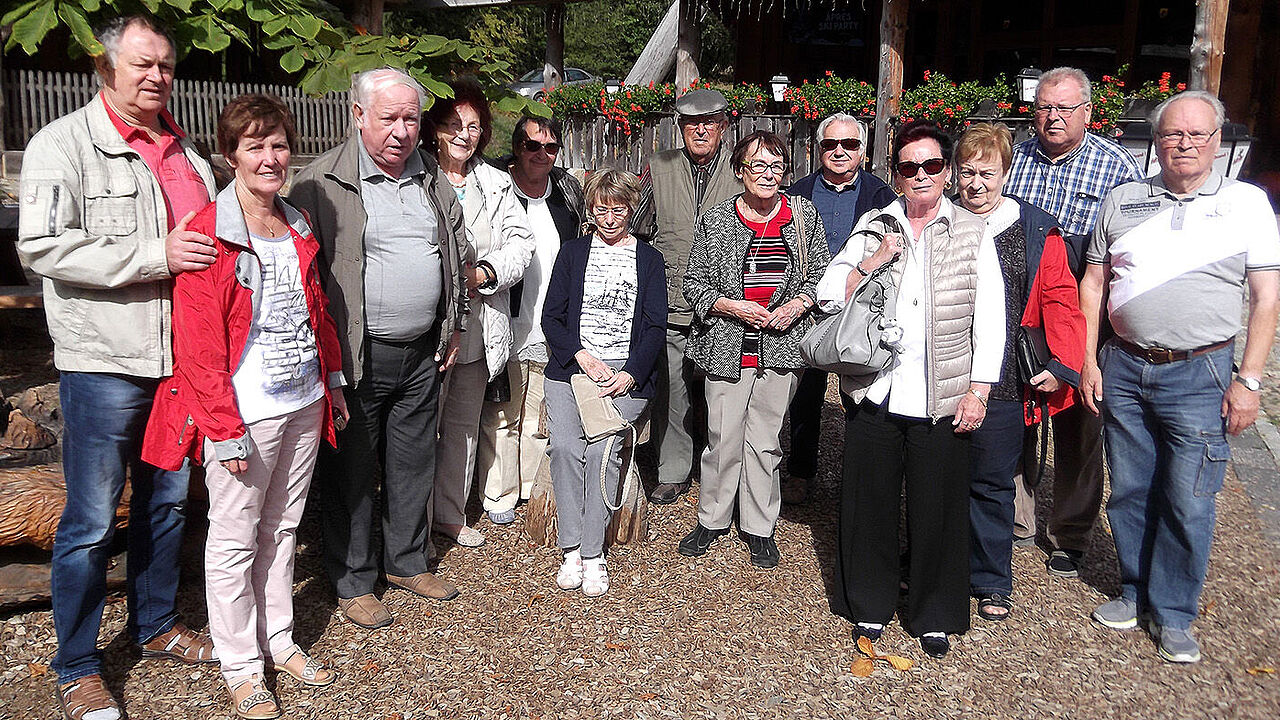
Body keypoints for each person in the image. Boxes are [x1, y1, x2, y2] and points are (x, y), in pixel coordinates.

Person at [17, 15, 218, 719]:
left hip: (177, 364)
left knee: (165, 505)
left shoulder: (187, 155)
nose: (157, 77)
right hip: (103, 361)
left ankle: (155, 625)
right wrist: (150, 257)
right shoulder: (64, 145)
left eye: (165, 65)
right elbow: (41, 248)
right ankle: (75, 665)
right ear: (107, 68)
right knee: (93, 520)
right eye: (142, 65)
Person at [142, 94, 347, 719]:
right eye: (254, 146)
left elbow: (315, 313)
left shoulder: (298, 225)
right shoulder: (209, 235)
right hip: (245, 410)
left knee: (283, 528)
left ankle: (277, 638)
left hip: (302, 399)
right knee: (233, 539)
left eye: (279, 144)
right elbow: (199, 347)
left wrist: (332, 380)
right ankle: (241, 666)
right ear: (229, 156)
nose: (270, 157)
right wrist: (222, 429)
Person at [1081, 91, 1279, 663]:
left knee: (1189, 497)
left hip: (1201, 370)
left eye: (1196, 134)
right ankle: (1134, 591)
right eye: (1172, 134)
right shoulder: (1124, 200)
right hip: (1124, 363)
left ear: (1217, 142)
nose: (1184, 144)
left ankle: (1173, 613)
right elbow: (1093, 283)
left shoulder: (1247, 204)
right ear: (1156, 140)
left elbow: (1266, 299)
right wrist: (1091, 360)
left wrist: (1250, 381)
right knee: (1132, 488)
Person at [816, 121, 1005, 658]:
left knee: (937, 504)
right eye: (908, 166)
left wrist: (979, 390)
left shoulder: (971, 231)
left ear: (946, 171)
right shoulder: (876, 224)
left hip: (942, 393)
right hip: (876, 389)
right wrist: (873, 261)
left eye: (931, 165)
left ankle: (935, 614)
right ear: (895, 173)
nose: (920, 175)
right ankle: (870, 607)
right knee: (869, 503)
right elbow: (830, 293)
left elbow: (990, 317)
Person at [289, 67, 470, 630]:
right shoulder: (320, 184)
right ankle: (352, 577)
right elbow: (300, 273)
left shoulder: (433, 180)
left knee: (414, 460)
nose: (401, 130)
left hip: (421, 350)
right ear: (358, 115)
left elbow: (454, 254)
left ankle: (407, 560)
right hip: (356, 354)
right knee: (353, 469)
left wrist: (454, 321)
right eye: (388, 117)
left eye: (410, 118)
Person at [1003, 67, 1143, 577]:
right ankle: (1016, 518)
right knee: (1015, 412)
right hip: (1021, 303)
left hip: (1088, 304)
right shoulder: (1014, 159)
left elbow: (1133, 247)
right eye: (1043, 106)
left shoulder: (1117, 166)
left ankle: (1070, 531)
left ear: (1087, 111)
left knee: (1080, 419)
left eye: (1064, 107)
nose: (1052, 116)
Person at [677, 131, 830, 569]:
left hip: (780, 346)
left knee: (764, 442)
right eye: (758, 165)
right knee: (722, 439)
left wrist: (798, 305)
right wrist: (729, 304)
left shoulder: (802, 217)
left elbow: (820, 274)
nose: (767, 175)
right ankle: (713, 517)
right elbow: (695, 284)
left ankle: (760, 526)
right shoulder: (717, 220)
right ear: (741, 171)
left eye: (776, 166)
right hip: (727, 345)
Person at [953, 123, 1086, 622]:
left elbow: (1060, 298)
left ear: (1006, 173)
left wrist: (1063, 365)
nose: (976, 184)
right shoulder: (941, 219)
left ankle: (990, 579)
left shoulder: (1032, 227)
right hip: (943, 373)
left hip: (1008, 378)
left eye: (987, 173)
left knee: (992, 480)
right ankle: (936, 564)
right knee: (940, 475)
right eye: (967, 173)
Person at [541, 169, 666, 596]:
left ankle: (592, 552)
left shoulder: (649, 260)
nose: (609, 218)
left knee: (604, 451)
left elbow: (654, 327)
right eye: (600, 209)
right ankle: (570, 548)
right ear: (589, 210)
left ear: (631, 209)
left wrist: (630, 373)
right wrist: (581, 356)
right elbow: (551, 318)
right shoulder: (573, 253)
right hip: (574, 368)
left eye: (618, 209)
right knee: (563, 447)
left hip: (624, 375)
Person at [426, 80, 535, 543]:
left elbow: (521, 241)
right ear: (435, 129)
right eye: (454, 124)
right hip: (429, 324)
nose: (463, 135)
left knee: (464, 425)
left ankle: (450, 514)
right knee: (421, 426)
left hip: (479, 320)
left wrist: (486, 274)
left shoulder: (493, 182)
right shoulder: (418, 177)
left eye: (473, 127)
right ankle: (414, 523)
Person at [632, 89, 742, 504]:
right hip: (672, 299)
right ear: (679, 127)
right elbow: (639, 229)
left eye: (709, 122)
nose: (700, 129)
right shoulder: (659, 167)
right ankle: (674, 469)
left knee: (725, 395)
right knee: (673, 393)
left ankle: (722, 477)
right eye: (691, 123)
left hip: (724, 304)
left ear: (723, 127)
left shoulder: (741, 171)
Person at [784, 112, 896, 504]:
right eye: (830, 144)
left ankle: (859, 480)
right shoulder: (796, 193)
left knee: (862, 395)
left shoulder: (882, 197)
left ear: (863, 152)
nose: (839, 151)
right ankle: (800, 471)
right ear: (818, 149)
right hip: (807, 305)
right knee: (804, 395)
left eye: (849, 145)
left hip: (859, 308)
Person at [481, 116, 586, 520]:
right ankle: (498, 494)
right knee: (501, 414)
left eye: (551, 147)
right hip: (505, 318)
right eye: (532, 146)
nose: (542, 155)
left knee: (538, 414)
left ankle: (527, 486)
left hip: (549, 322)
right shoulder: (497, 189)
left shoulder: (565, 194)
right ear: (516, 148)